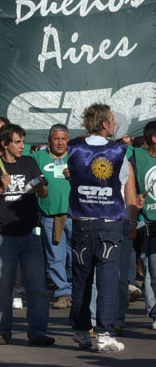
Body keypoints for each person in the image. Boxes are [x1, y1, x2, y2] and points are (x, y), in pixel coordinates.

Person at [67, 103, 138, 352]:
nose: (115, 123)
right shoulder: (120, 151)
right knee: (107, 281)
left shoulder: (74, 147)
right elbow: (124, 188)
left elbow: (69, 172)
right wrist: (132, 220)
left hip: (81, 222)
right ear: (105, 123)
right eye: (112, 119)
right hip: (108, 221)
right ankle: (105, 333)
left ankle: (80, 329)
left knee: (81, 280)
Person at [0, 124, 54, 346]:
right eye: (18, 142)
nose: (22, 146)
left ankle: (38, 331)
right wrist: (1, 189)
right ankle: (1, 331)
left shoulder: (29, 161)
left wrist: (40, 187)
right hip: (4, 235)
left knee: (37, 286)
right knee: (3, 287)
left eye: (23, 141)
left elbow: (43, 191)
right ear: (4, 144)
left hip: (29, 234)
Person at [32, 124, 73, 309]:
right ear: (49, 140)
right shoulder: (38, 157)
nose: (59, 142)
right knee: (56, 257)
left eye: (63, 139)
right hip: (50, 216)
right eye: (56, 138)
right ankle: (63, 293)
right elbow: (29, 181)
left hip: (75, 216)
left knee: (76, 257)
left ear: (68, 140)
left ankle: (77, 291)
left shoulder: (76, 156)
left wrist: (75, 175)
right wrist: (38, 182)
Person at [134, 121, 156, 330]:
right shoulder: (137, 156)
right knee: (150, 269)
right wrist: (133, 198)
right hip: (146, 221)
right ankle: (154, 311)